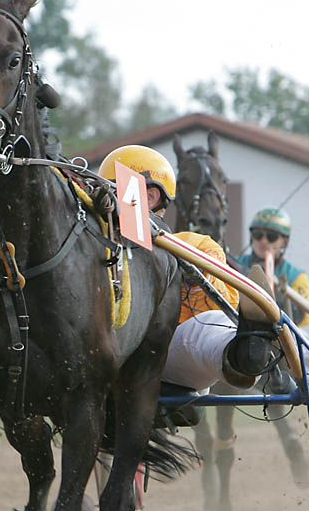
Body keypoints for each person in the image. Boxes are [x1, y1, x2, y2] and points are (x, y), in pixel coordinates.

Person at [96, 145, 292, 396]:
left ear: (150, 198)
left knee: (207, 326)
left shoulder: (195, 245)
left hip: (166, 353)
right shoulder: (88, 244)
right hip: (102, 351)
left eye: (111, 190)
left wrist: (195, 281)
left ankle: (244, 355)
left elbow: (225, 301)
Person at [239, 208, 309, 329]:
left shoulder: (297, 276)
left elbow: (303, 317)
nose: (263, 241)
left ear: (284, 241)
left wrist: (280, 300)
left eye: (271, 237)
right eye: (258, 235)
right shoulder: (231, 262)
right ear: (251, 237)